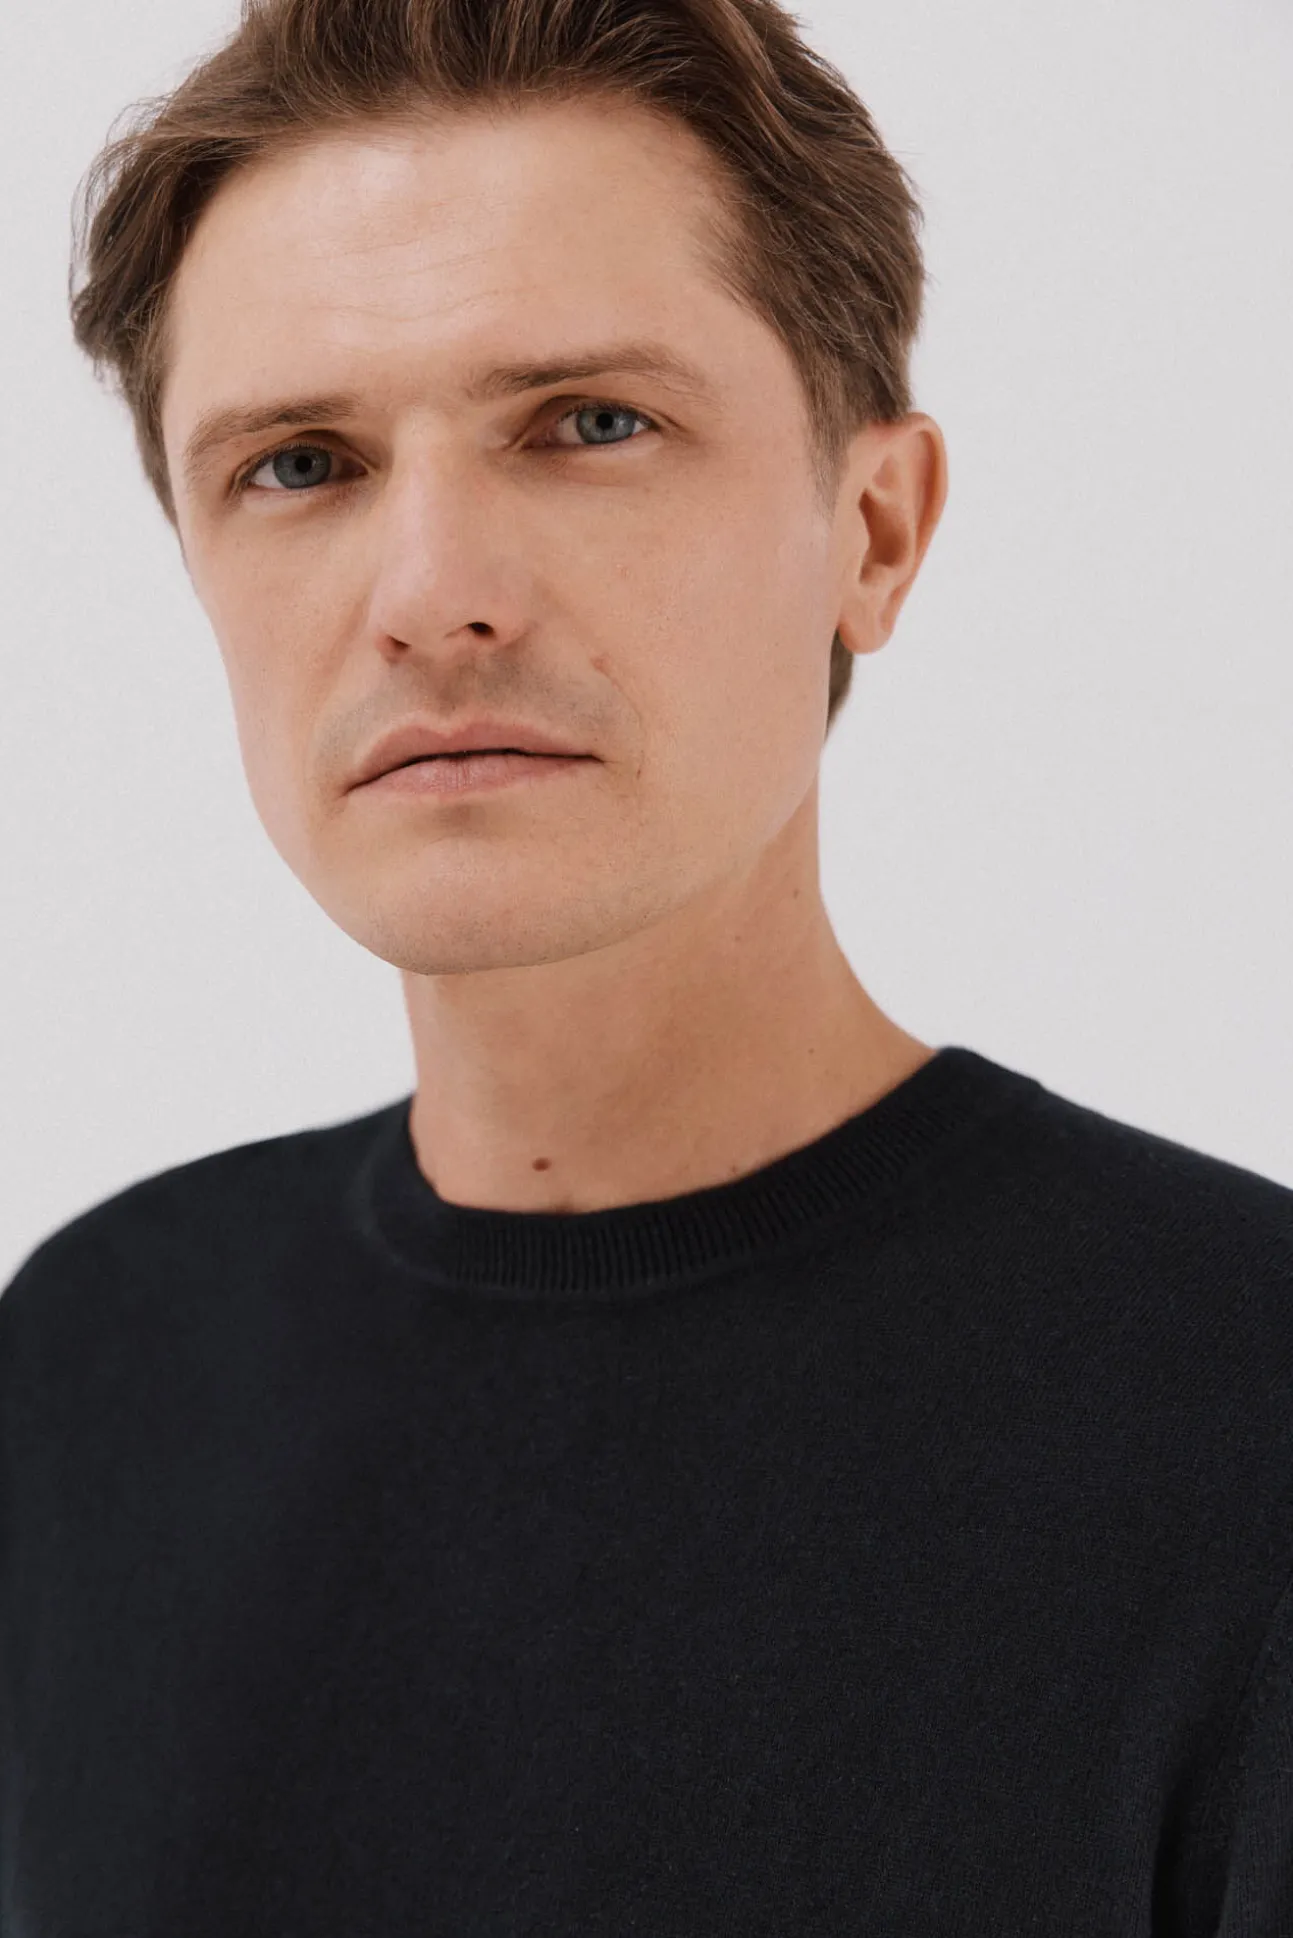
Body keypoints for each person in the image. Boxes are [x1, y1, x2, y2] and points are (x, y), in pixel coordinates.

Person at [2, 0, 1289, 1930]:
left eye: (591, 424)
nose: (432, 594)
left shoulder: (1243, 1414)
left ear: (874, 529)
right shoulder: (92, 1360)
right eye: (300, 462)